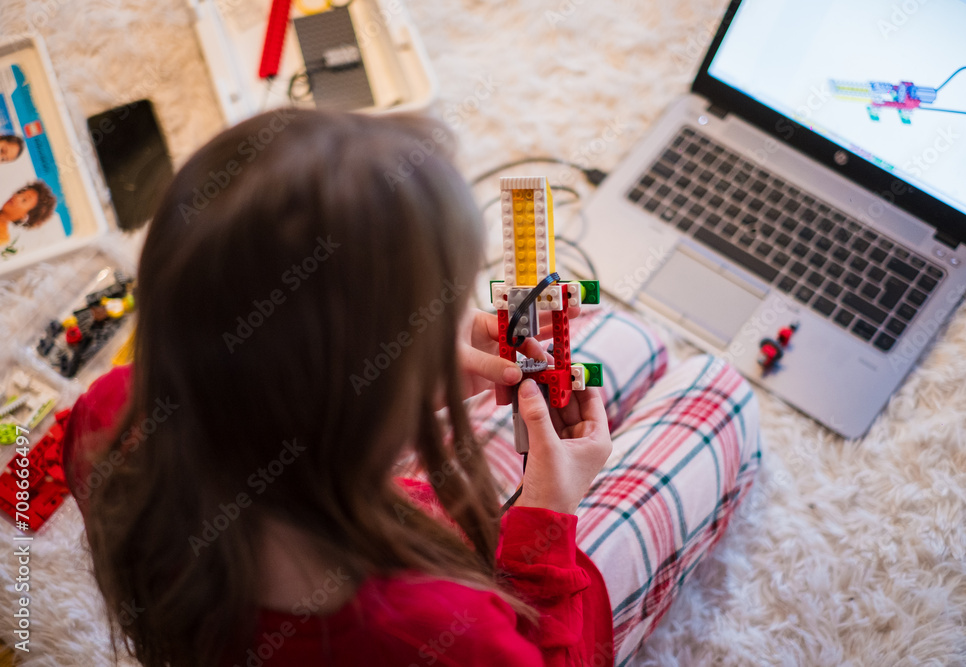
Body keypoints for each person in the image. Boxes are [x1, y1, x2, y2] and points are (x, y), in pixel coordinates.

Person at [62, 108, 761, 667]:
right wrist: (548, 515)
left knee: (627, 339)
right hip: (528, 602)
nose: (458, 321)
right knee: (719, 389)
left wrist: (407, 379)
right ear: (365, 415)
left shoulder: (107, 416)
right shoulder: (434, 630)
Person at [0, 180, 57, 245]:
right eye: (19, 192)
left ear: (24, 217)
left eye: (24, 200)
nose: (17, 197)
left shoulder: (2, 237)